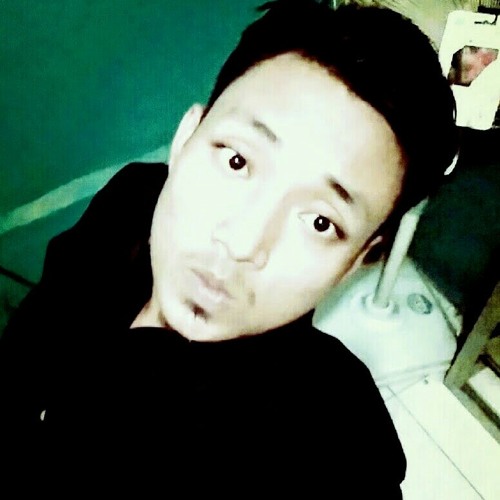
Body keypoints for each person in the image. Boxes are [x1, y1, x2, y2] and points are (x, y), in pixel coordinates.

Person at [1, 0, 457, 496]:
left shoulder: (334, 446)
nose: (242, 243)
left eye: (320, 222)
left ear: (357, 261)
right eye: (237, 161)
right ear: (185, 140)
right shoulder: (132, 204)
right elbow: (30, 345)